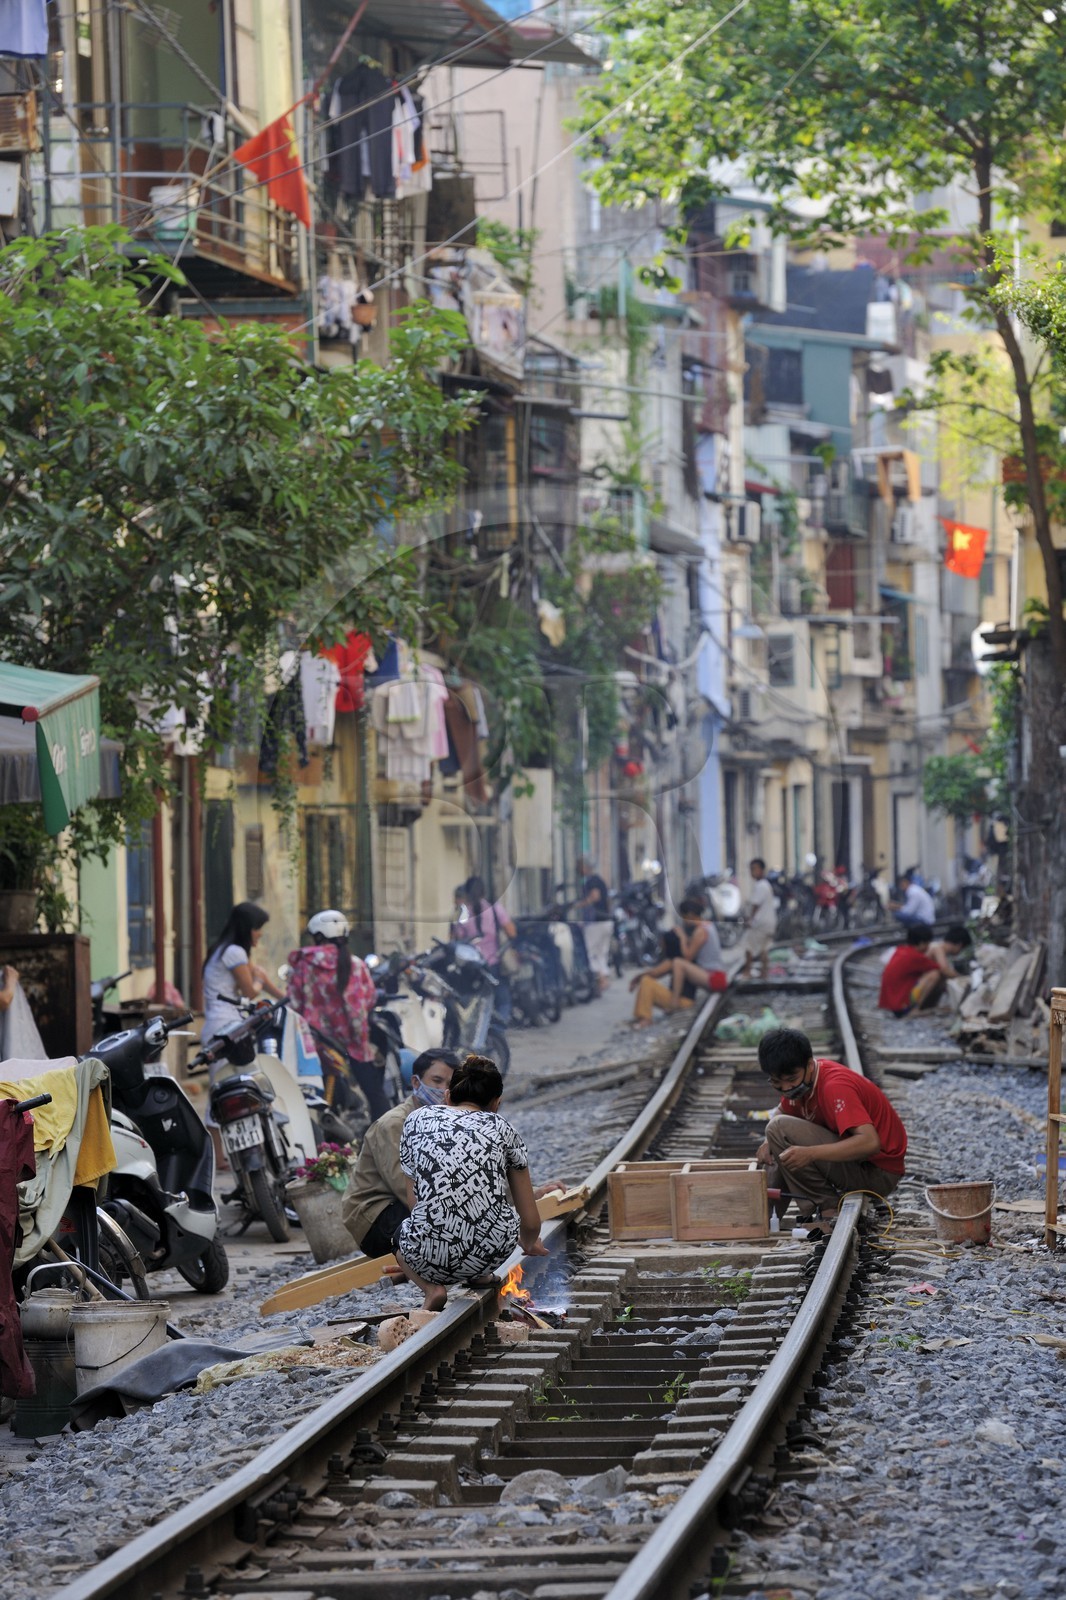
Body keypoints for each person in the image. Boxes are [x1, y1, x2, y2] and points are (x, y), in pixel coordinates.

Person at [396, 1054, 548, 1311]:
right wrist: (530, 1242)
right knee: (490, 1220)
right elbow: (530, 1221)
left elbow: (415, 1202)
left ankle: (432, 1290)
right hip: (493, 1252)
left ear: (447, 1097)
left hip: (428, 1255)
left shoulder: (416, 1120)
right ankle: (480, 1275)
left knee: (398, 1236)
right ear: (496, 1103)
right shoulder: (503, 1128)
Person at [754, 1026, 907, 1224]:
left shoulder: (834, 1086)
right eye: (777, 1083)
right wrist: (768, 1142)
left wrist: (810, 1153)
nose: (786, 1089)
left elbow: (870, 1142)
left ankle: (827, 1207)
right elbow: (784, 1112)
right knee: (776, 1136)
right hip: (859, 1167)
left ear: (809, 1065)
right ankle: (763, 1218)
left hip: (877, 1174)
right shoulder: (805, 1084)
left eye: (791, 1080)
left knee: (778, 1129)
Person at [342, 1047, 462, 1260]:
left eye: (450, 1084)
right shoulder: (395, 1124)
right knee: (455, 1224)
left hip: (407, 1206)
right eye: (437, 1081)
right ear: (416, 1083)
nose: (444, 1090)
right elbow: (403, 1187)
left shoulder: (442, 1121)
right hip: (376, 1216)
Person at [287, 909, 387, 1121]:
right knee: (375, 1095)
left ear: (318, 936)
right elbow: (369, 999)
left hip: (317, 1044)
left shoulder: (304, 964)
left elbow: (295, 1003)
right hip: (354, 1042)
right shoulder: (357, 965)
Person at [629, 898, 727, 1026]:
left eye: (684, 917)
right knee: (661, 972)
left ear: (690, 915)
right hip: (713, 977)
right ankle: (648, 1014)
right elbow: (656, 972)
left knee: (677, 963)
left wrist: (681, 938)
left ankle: (673, 1003)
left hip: (714, 978)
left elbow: (687, 956)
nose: (684, 922)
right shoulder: (707, 926)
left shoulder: (701, 931)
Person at [201, 901, 284, 1050]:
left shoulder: (224, 949)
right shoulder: (234, 952)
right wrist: (258, 981)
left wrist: (285, 1000)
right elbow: (250, 992)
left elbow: (260, 976)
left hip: (224, 1023)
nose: (260, 933)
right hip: (224, 1025)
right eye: (257, 928)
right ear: (246, 929)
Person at [452, 875, 516, 1022]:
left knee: (472, 1002)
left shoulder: (462, 913)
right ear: (483, 891)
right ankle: (498, 1032)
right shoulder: (494, 909)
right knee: (503, 1001)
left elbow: (456, 940)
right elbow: (512, 932)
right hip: (493, 963)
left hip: (471, 967)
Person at [879, 923, 970, 1016]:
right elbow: (944, 970)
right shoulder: (916, 956)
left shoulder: (901, 950)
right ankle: (914, 1010)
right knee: (935, 974)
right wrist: (966, 980)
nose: (928, 946)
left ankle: (926, 1006)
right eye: (927, 943)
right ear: (922, 943)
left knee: (936, 974)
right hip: (900, 1005)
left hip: (891, 1002)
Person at [575, 855, 613, 994]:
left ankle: (601, 981)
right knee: (601, 953)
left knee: (591, 952)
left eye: (579, 866)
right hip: (606, 921)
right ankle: (603, 980)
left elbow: (594, 897)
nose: (577, 869)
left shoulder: (592, 881)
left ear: (585, 867)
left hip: (596, 923)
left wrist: (579, 905)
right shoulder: (600, 880)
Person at [738, 859, 777, 981]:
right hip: (769, 922)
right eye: (751, 869)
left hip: (760, 923)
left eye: (754, 869)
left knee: (748, 945)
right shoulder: (766, 885)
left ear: (761, 870)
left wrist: (749, 919)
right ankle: (764, 973)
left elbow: (755, 905)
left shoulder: (760, 886)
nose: (752, 872)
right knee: (764, 949)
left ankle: (747, 972)